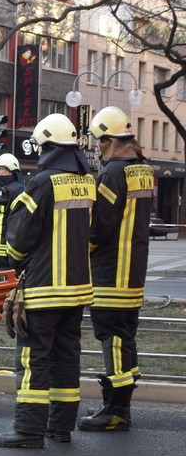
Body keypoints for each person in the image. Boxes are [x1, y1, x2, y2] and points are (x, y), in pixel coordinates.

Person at [0, 114, 95, 448]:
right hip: (77, 290)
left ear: (46, 146)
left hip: (45, 288)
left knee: (33, 359)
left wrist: (18, 264)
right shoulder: (87, 181)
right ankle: (60, 426)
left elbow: (19, 238)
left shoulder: (42, 181)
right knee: (66, 358)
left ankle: (28, 431)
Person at [77, 106, 154, 433]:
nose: (97, 146)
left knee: (112, 339)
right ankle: (121, 407)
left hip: (110, 274)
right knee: (125, 338)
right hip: (133, 274)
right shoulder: (143, 170)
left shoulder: (112, 174)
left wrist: (81, 253)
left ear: (109, 139)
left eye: (99, 140)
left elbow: (99, 227)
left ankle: (116, 410)